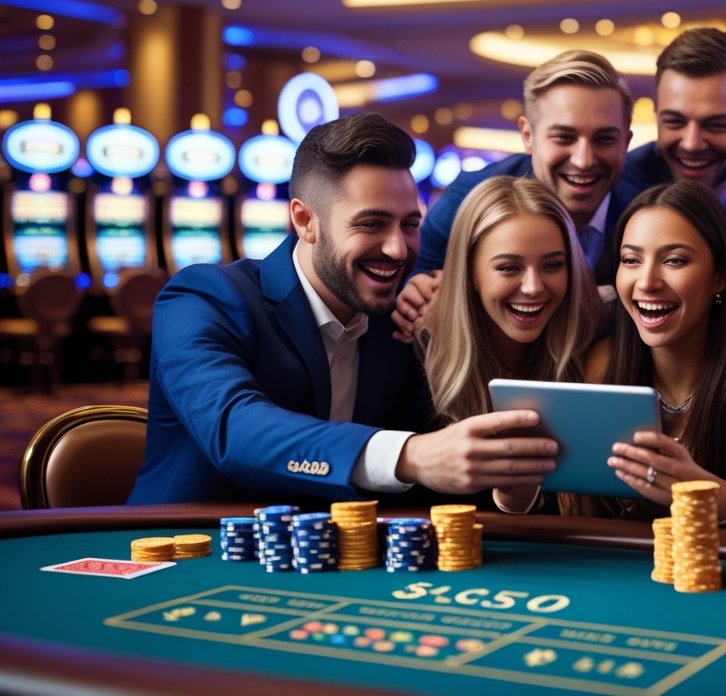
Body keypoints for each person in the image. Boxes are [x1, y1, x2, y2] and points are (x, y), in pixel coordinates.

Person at [129, 113, 559, 504]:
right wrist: (408, 454)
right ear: (305, 220)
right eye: (371, 224)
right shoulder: (203, 298)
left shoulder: (394, 321)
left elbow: (435, 476)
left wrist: (511, 487)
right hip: (178, 553)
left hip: (327, 571)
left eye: (410, 225)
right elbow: (234, 428)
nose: (397, 248)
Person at [581, 181, 726, 524]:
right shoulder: (603, 359)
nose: (646, 282)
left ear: (719, 277)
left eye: (674, 260)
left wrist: (695, 487)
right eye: (631, 260)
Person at [396, 50, 640, 343]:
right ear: (528, 136)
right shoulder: (471, 197)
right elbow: (411, 270)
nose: (584, 160)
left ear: (626, 141)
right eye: (564, 137)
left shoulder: (645, 213)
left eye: (604, 139)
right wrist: (416, 289)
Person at [417, 175, 600, 513]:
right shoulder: (414, 359)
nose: (532, 287)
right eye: (509, 267)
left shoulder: (591, 352)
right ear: (470, 271)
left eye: (553, 266)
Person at [624, 27, 726, 226]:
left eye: (715, 125)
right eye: (675, 122)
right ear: (656, 118)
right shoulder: (620, 184)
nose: (691, 144)